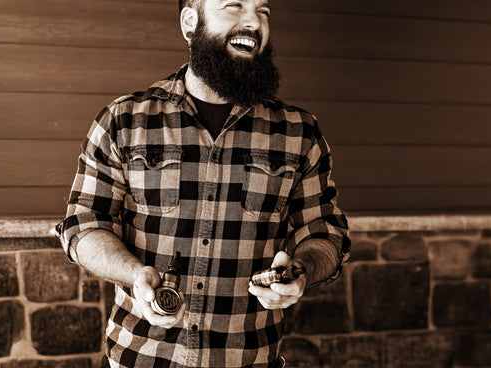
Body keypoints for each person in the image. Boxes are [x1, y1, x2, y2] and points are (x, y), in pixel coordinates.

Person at [52, 0, 350, 366]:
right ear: (190, 22)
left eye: (263, 11)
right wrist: (134, 274)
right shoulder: (124, 121)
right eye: (234, 6)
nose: (253, 22)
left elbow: (327, 233)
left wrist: (300, 271)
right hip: (141, 357)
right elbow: (83, 226)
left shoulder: (298, 132)